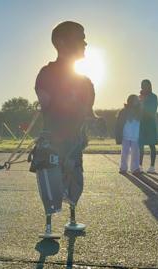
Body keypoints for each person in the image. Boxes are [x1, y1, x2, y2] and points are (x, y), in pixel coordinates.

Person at [33, 21, 101, 238]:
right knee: (51, 181)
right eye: (80, 37)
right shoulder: (47, 73)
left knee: (74, 180)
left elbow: (88, 111)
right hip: (53, 139)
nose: (85, 42)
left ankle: (71, 218)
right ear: (61, 42)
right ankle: (49, 224)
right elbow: (45, 106)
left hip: (74, 140)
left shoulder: (86, 81)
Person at [115, 95, 142, 174]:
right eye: (134, 100)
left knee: (136, 153)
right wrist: (118, 136)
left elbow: (143, 123)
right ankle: (123, 168)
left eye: (137, 100)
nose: (136, 102)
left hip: (136, 135)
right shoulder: (123, 111)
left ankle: (135, 168)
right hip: (125, 135)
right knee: (124, 153)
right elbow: (119, 124)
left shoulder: (140, 111)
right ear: (130, 101)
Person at [138, 79, 158, 173]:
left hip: (150, 123)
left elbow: (153, 109)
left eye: (146, 85)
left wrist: (143, 103)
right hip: (141, 124)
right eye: (143, 85)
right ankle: (139, 165)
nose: (144, 87)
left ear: (150, 86)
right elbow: (136, 110)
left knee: (152, 145)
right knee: (140, 145)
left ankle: (152, 166)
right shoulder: (139, 97)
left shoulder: (154, 97)